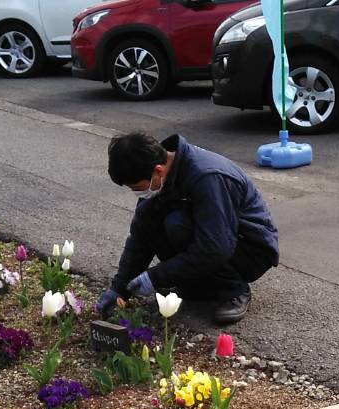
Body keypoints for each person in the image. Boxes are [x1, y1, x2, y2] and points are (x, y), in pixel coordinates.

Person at [96, 132, 279, 325]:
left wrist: (156, 277)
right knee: (152, 220)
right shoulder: (162, 175)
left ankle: (234, 289)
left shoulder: (207, 177)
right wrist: (120, 288)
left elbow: (215, 248)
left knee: (177, 225)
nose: (137, 192)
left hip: (251, 249)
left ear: (158, 170)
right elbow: (140, 236)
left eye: (136, 187)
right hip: (218, 239)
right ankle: (197, 285)